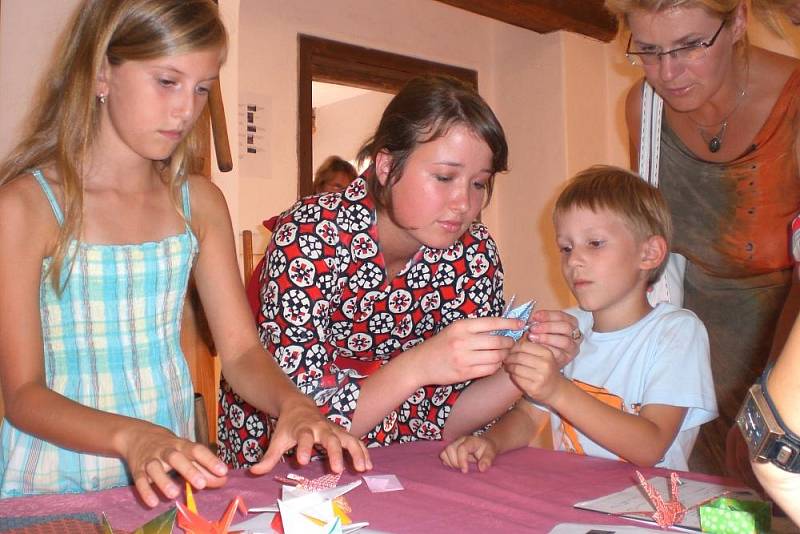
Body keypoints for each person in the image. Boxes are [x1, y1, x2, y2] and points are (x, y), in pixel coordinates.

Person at [0, 0, 369, 505]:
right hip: (49, 486)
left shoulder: (197, 203)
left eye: (201, 88)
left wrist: (294, 404)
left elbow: (239, 352)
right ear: (101, 72)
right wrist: (134, 437)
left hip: (165, 477)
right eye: (167, 81)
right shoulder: (27, 207)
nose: (185, 110)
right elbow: (24, 395)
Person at [218, 75, 583, 468]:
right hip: (278, 464)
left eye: (479, 183)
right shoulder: (311, 235)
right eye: (444, 177)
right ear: (387, 165)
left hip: (403, 464)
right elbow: (305, 428)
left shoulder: (473, 255)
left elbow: (446, 421)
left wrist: (528, 364)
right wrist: (420, 365)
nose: (464, 203)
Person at [605, 0, 800, 475]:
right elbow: (649, 246)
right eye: (649, 51)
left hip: (788, 346)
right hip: (692, 357)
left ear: (737, 22)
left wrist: (768, 404)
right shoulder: (643, 108)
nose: (668, 73)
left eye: (689, 46)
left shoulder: (793, 102)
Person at [441, 166, 717, 472]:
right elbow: (528, 417)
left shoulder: (676, 332)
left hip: (650, 510)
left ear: (649, 253)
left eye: (595, 244)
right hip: (574, 502)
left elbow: (650, 446)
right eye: (566, 248)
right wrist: (491, 442)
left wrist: (556, 390)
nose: (574, 260)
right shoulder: (568, 328)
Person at [245, 156, 358, 314]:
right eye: (337, 187)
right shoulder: (298, 225)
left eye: (348, 190)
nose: (342, 195)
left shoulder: (349, 233)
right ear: (319, 186)